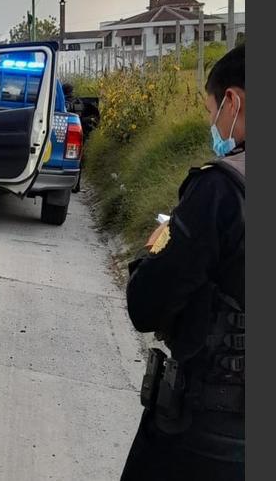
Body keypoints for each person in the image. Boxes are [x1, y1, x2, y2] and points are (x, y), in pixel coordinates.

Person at [121, 44, 245, 480]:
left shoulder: (221, 190)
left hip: (211, 430)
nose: (214, 124)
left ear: (233, 102)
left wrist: (154, 249)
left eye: (211, 110)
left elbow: (147, 304)